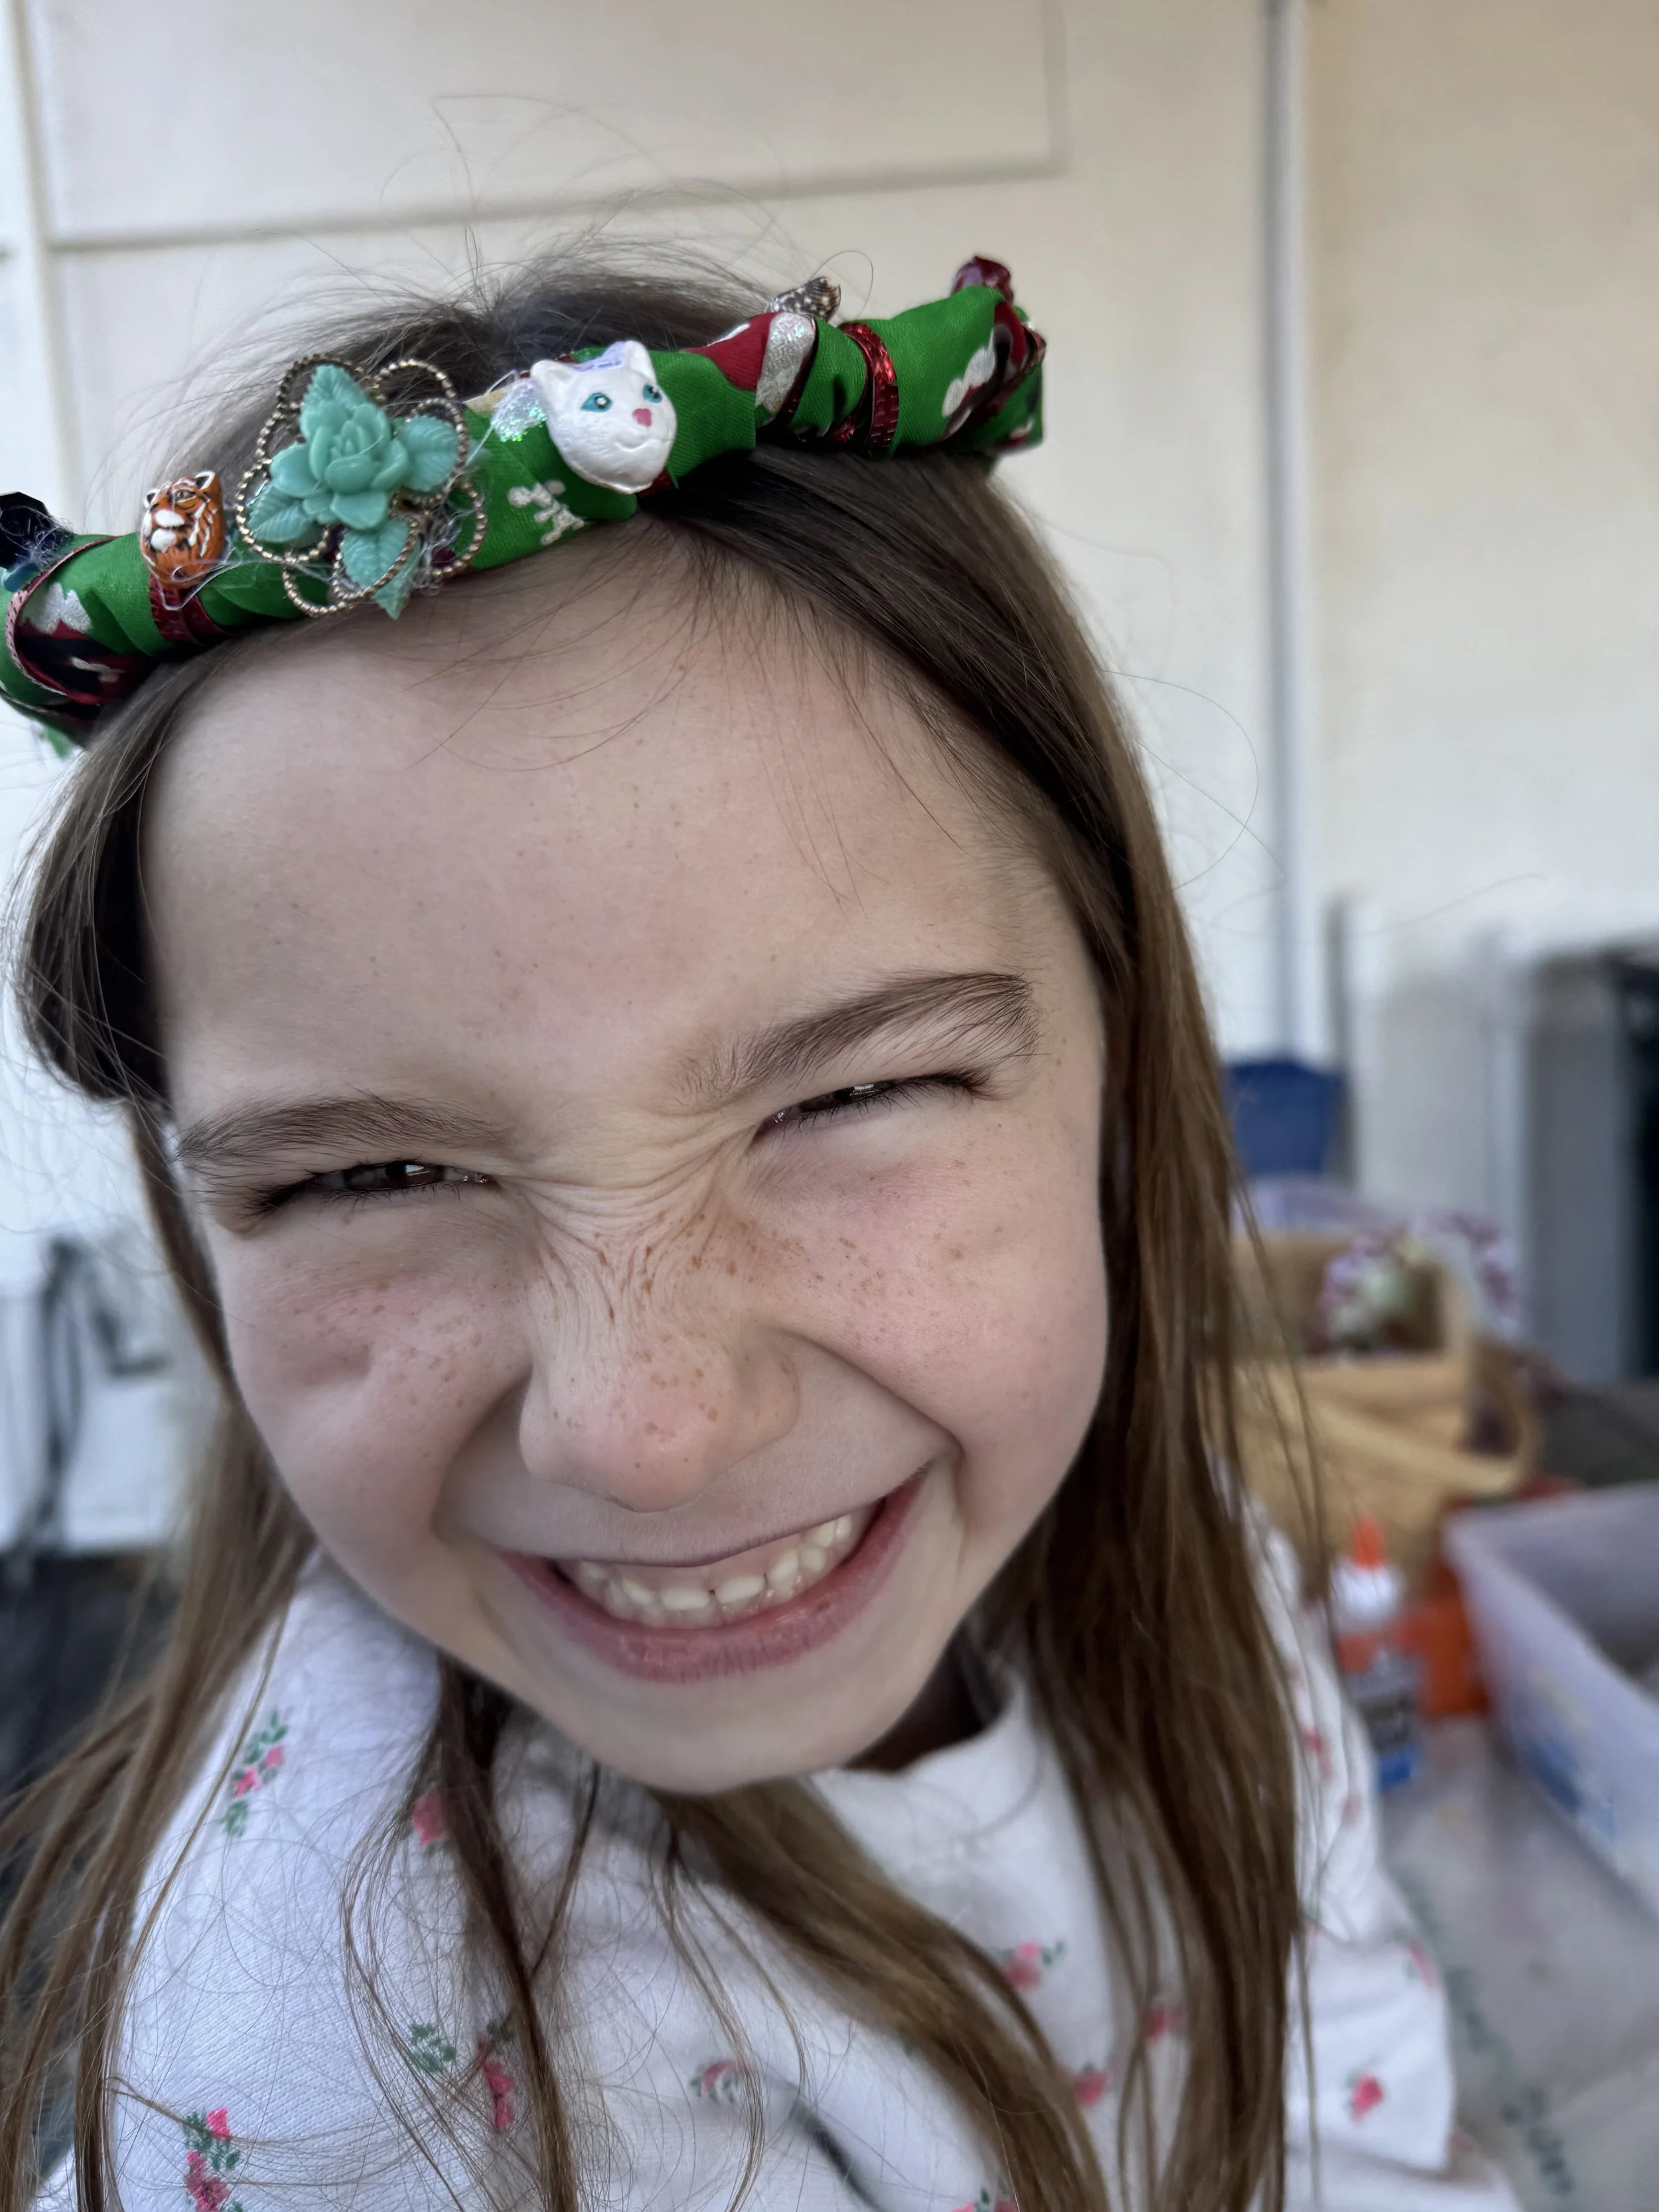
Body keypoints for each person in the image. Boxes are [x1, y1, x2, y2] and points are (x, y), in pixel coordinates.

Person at [0, 251, 1516, 2211]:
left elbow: (1353, 2121)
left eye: (843, 1100)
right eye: (373, 1175)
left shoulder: (1194, 1579)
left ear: (1118, 1062)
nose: (644, 1429)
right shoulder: (366, 2089)